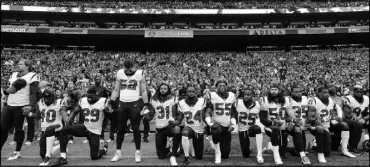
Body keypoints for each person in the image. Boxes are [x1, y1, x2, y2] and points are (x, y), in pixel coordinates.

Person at [52, 87, 110, 166]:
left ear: (97, 95)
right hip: (85, 127)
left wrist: (109, 110)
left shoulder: (103, 101)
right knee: (64, 130)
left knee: (94, 156)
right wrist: (70, 118)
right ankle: (63, 157)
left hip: (95, 131)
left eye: (91, 97)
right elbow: (76, 110)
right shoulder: (83, 100)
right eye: (88, 96)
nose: (89, 98)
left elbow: (110, 115)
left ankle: (104, 149)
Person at [110, 60, 149, 163]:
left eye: (130, 68)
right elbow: (116, 89)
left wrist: (146, 104)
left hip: (134, 103)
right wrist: (111, 101)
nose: (128, 71)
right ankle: (118, 152)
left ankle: (137, 152)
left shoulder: (140, 73)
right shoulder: (120, 73)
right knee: (120, 129)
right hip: (122, 104)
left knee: (136, 129)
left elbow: (144, 90)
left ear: (134, 66)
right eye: (126, 69)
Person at [1, 59, 40, 160]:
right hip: (9, 104)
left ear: (27, 66)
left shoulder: (32, 75)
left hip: (21, 106)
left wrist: (30, 105)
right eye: (17, 63)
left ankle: (17, 152)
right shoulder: (14, 74)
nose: (18, 65)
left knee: (19, 130)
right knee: (2, 129)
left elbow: (33, 92)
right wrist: (6, 97)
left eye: (20, 64)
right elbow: (11, 88)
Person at [308, 85, 355, 163]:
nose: (326, 94)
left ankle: (344, 149)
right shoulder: (314, 101)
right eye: (324, 93)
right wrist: (316, 120)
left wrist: (338, 117)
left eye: (327, 92)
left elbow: (338, 107)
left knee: (328, 151)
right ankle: (318, 151)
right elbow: (310, 118)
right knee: (321, 130)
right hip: (315, 126)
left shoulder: (330, 100)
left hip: (327, 126)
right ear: (318, 93)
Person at [259, 82, 297, 165]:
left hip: (283, 127)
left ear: (279, 91)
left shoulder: (287, 100)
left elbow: (291, 114)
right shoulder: (264, 100)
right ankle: (276, 156)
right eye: (271, 89)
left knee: (282, 153)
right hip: (270, 127)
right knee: (276, 130)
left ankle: (270, 146)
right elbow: (262, 119)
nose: (273, 91)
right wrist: (272, 122)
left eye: (275, 89)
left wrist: (293, 121)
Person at [28, 89, 69, 166]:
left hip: (57, 127)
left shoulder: (59, 102)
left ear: (53, 97)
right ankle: (57, 147)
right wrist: (30, 114)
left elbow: (63, 111)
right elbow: (38, 116)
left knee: (51, 130)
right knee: (42, 154)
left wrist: (66, 118)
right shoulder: (40, 103)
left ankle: (48, 157)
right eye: (45, 98)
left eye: (49, 98)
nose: (47, 100)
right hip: (45, 129)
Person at [143, 83, 181, 165]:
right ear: (158, 90)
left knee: (177, 130)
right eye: (161, 88)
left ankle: (176, 147)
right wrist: (145, 113)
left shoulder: (173, 99)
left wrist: (173, 119)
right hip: (159, 128)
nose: (163, 90)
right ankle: (169, 148)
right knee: (161, 156)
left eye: (165, 88)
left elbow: (176, 114)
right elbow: (150, 117)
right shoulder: (153, 100)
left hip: (169, 126)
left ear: (168, 90)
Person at [205, 78, 236, 164]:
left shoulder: (232, 95)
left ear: (226, 87)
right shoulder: (211, 95)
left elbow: (232, 112)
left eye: (223, 85)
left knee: (225, 155)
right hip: (217, 125)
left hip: (226, 126)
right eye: (220, 85)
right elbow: (207, 111)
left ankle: (215, 147)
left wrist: (233, 124)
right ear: (216, 87)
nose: (222, 87)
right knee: (216, 130)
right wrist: (209, 122)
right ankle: (217, 152)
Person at [231, 87, 264, 163]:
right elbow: (231, 112)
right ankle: (248, 149)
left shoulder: (258, 105)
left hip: (251, 128)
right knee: (245, 154)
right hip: (242, 130)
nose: (246, 96)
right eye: (245, 94)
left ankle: (259, 154)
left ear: (252, 95)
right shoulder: (238, 103)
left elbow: (264, 116)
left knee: (257, 128)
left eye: (248, 94)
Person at [177, 85, 207, 166]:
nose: (191, 93)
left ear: (196, 93)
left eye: (193, 91)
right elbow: (180, 117)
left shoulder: (202, 101)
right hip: (189, 127)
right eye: (189, 91)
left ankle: (192, 148)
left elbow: (204, 114)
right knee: (185, 133)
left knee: (199, 156)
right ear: (186, 93)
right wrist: (176, 122)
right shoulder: (181, 103)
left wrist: (207, 124)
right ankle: (186, 158)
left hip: (199, 129)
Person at [343, 84, 369, 153]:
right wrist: (353, 116)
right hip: (350, 119)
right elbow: (346, 113)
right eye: (357, 91)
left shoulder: (366, 98)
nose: (359, 93)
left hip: (363, 118)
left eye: (361, 91)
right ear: (353, 91)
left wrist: (364, 119)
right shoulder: (348, 98)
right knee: (357, 124)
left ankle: (367, 142)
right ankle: (353, 146)